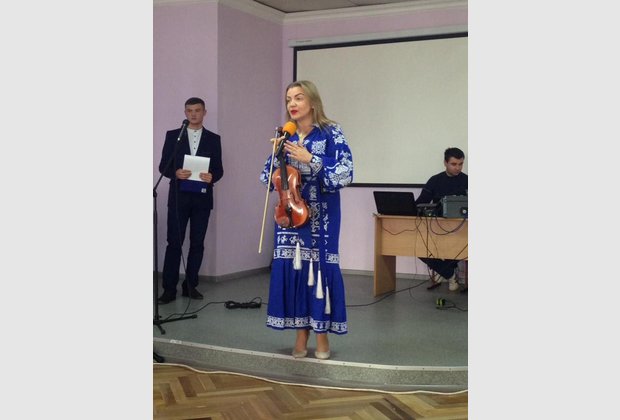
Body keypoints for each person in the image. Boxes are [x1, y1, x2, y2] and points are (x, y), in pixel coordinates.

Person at [259, 80, 354, 360]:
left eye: (299, 98)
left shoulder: (331, 132)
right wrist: (276, 158)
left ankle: (322, 334)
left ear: (312, 102)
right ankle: (301, 334)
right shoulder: (285, 136)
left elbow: (345, 173)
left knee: (320, 270)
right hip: (288, 215)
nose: (292, 103)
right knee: (295, 271)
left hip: (321, 217)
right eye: (289, 99)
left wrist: (311, 158)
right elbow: (266, 178)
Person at [158, 97, 224, 304]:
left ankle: (190, 285)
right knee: (174, 243)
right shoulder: (173, 136)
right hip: (179, 197)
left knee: (197, 243)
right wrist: (175, 172)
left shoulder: (213, 139)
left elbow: (219, 169)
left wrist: (212, 176)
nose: (193, 114)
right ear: (185, 113)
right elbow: (163, 166)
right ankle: (169, 289)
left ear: (204, 112)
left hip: (202, 199)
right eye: (189, 110)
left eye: (197, 110)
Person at [415, 147, 468, 292]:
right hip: (436, 228)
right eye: (454, 164)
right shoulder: (435, 180)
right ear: (445, 163)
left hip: (461, 229)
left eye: (461, 164)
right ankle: (450, 274)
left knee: (460, 247)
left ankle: (445, 272)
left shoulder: (467, 180)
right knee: (419, 247)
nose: (458, 168)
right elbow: (420, 202)